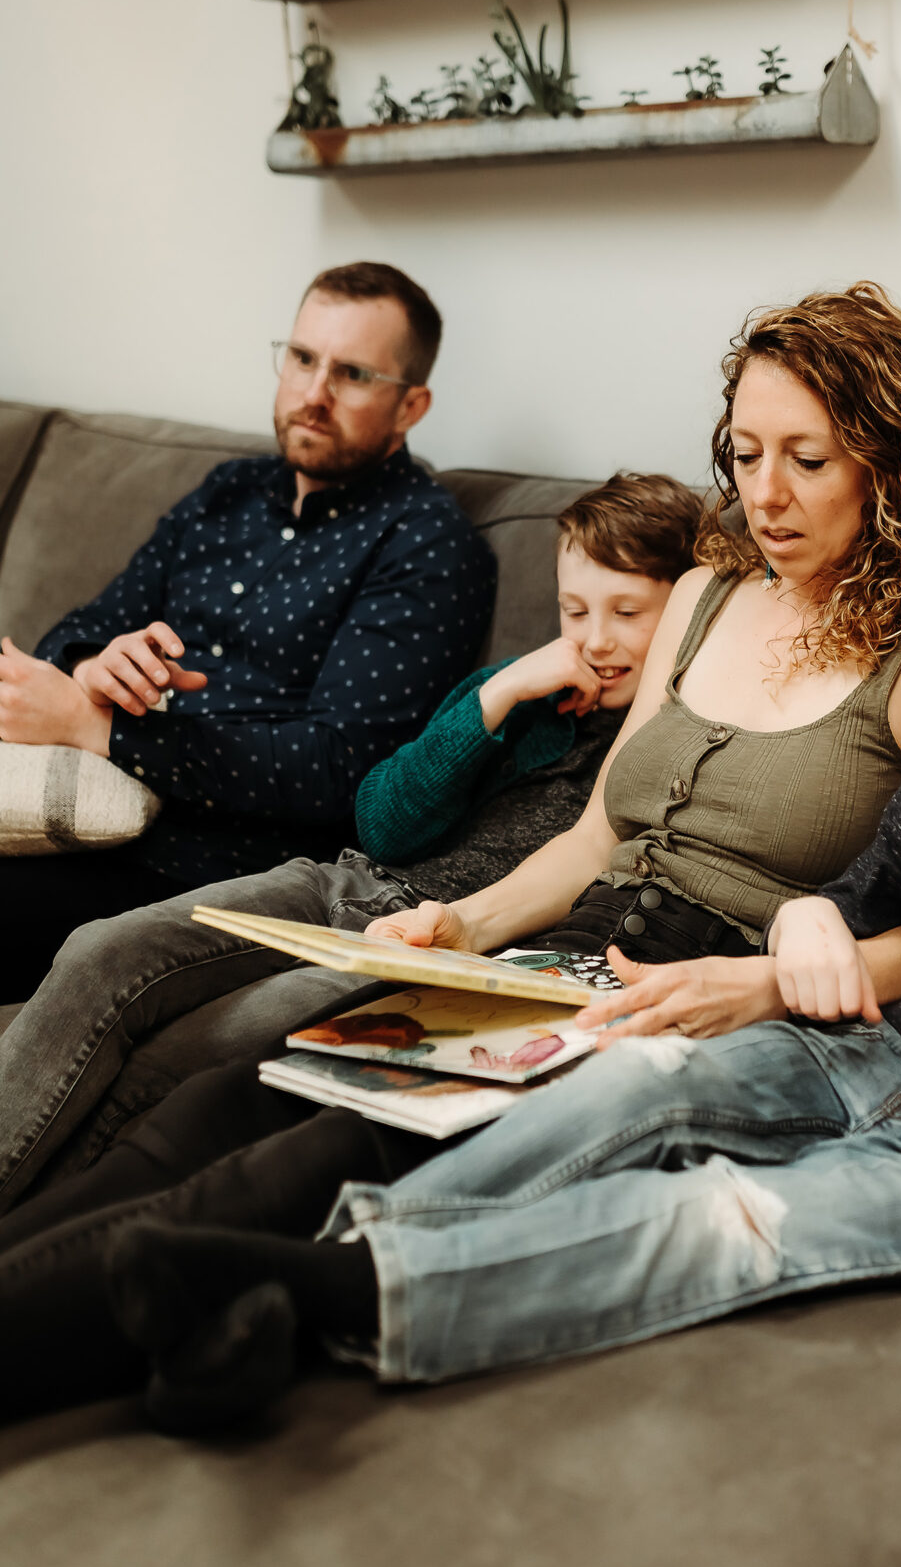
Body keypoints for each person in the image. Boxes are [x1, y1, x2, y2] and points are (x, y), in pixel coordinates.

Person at [9, 465, 901, 1431]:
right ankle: (277, 1275)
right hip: (854, 1055)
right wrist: (812, 918)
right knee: (621, 1094)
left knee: (716, 1220)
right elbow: (856, 886)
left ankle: (321, 1295)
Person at [0, 280, 901, 1421]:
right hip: (548, 962)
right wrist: (463, 927)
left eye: (808, 460)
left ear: (888, 457)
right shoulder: (711, 593)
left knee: (290, 1172)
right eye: (746, 450)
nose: (765, 492)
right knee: (224, 1105)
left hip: (684, 998)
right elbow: (597, 834)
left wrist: (764, 983)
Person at [0, 473, 703, 1210]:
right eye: (573, 610)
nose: (594, 639)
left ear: (688, 612)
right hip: (346, 880)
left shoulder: (667, 742)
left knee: (179, 1058)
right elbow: (384, 821)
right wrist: (497, 698)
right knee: (98, 950)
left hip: (435, 943)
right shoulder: (524, 693)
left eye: (627, 612)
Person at [0, 261, 496, 999]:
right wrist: (94, 668)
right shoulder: (225, 493)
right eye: (301, 359)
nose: (312, 394)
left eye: (352, 374)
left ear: (411, 405)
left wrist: (100, 730)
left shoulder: (426, 544)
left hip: (213, 872)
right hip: (92, 816)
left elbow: (342, 771)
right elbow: (79, 628)